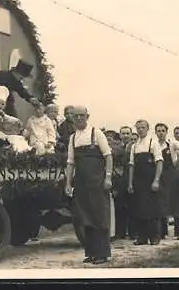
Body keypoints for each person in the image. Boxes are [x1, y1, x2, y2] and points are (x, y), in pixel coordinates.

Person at [64, 106, 113, 265]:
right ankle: (91, 252)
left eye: (82, 115)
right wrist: (68, 183)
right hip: (82, 184)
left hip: (97, 182)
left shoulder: (96, 133)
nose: (79, 118)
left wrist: (108, 177)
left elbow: (108, 156)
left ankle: (102, 254)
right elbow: (70, 163)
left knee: (99, 216)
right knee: (85, 217)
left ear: (87, 116)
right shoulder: (72, 138)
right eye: (76, 116)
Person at [127, 119, 164, 246]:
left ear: (148, 128)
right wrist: (130, 183)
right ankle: (142, 237)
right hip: (138, 180)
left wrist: (156, 180)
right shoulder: (134, 146)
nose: (140, 130)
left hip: (150, 179)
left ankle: (155, 236)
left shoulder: (153, 143)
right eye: (138, 128)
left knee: (153, 208)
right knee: (139, 208)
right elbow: (131, 165)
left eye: (143, 127)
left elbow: (159, 162)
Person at [155, 123, 179, 240]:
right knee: (161, 203)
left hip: (172, 176)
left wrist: (177, 162)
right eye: (158, 131)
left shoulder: (172, 143)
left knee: (175, 202)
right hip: (160, 175)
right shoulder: (154, 144)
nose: (161, 132)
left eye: (163, 130)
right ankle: (162, 232)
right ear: (156, 132)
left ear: (166, 132)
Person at [113, 126, 134, 240]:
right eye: (123, 133)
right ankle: (120, 232)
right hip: (120, 180)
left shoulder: (135, 147)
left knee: (132, 206)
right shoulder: (116, 149)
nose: (125, 136)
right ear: (120, 135)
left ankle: (132, 232)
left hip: (132, 178)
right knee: (119, 206)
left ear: (131, 135)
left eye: (127, 133)